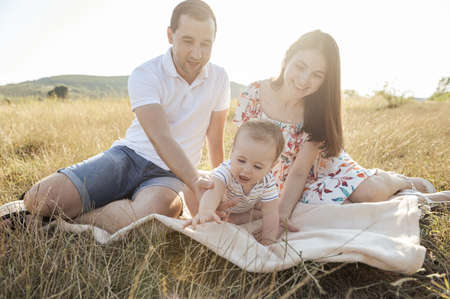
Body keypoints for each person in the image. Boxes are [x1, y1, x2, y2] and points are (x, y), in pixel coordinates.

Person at [4, 0, 230, 233]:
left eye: (206, 44)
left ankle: (60, 221)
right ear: (170, 35)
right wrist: (195, 181)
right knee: (39, 199)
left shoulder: (219, 78)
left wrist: (221, 189)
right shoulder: (146, 73)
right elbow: (160, 137)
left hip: (172, 175)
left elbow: (215, 140)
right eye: (188, 41)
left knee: (151, 215)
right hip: (129, 156)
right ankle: (42, 211)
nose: (197, 53)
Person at [233, 30, 450, 236]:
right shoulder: (254, 94)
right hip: (283, 177)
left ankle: (403, 182)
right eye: (300, 66)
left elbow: (300, 171)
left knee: (369, 195)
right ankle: (413, 198)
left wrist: (281, 214)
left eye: (317, 75)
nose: (304, 79)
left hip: (324, 166)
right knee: (340, 210)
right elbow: (239, 148)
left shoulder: (315, 111)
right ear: (287, 58)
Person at [184, 120, 285, 245]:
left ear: (272, 166)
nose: (247, 169)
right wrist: (207, 209)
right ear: (232, 153)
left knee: (269, 205)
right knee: (190, 189)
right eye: (241, 160)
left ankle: (251, 215)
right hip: (215, 204)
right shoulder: (226, 171)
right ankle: (202, 220)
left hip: (243, 207)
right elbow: (214, 190)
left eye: (257, 166)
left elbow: (271, 213)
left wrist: (268, 241)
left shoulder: (267, 181)